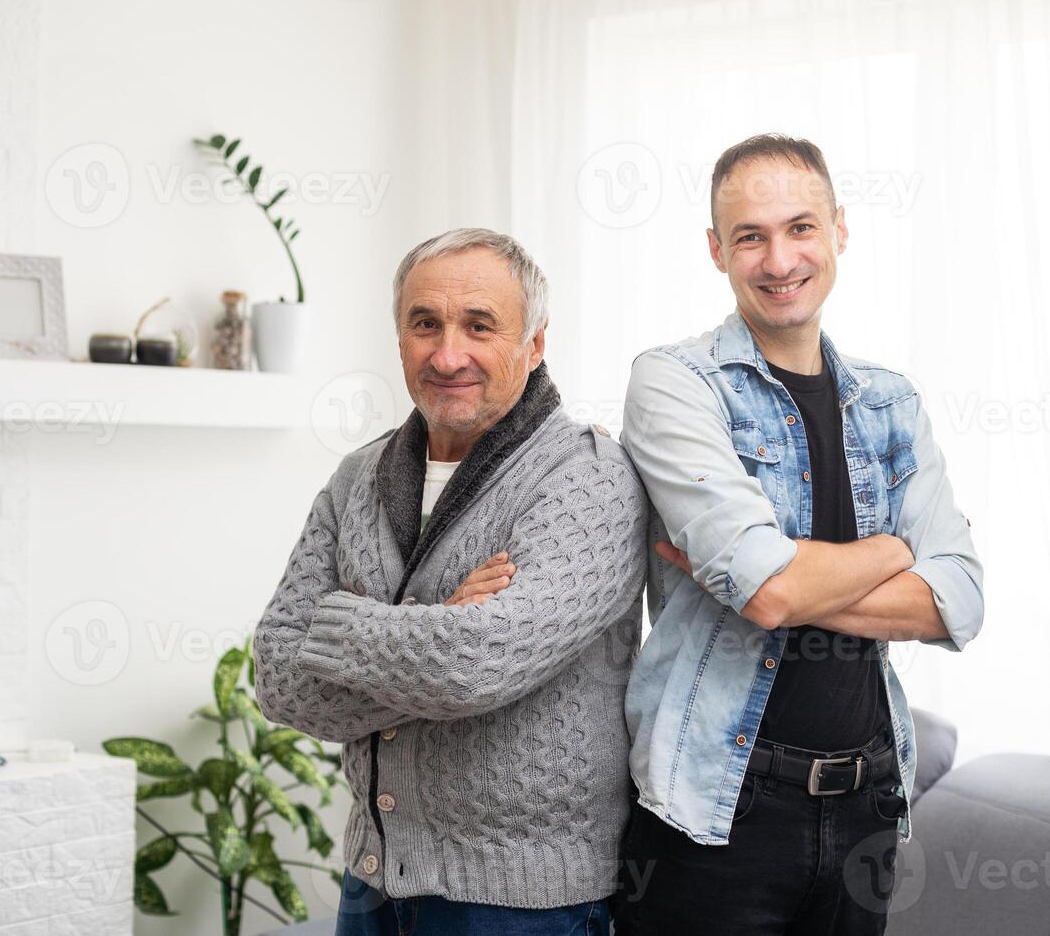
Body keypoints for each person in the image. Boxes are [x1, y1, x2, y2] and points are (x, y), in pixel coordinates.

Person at [613, 135, 984, 934]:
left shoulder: (890, 403)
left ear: (839, 230)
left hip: (868, 805)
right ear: (717, 251)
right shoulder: (675, 383)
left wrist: (772, 582)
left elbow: (957, 600)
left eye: (800, 228)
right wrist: (894, 552)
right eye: (750, 236)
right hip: (716, 806)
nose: (779, 259)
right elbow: (768, 587)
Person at [253, 228, 647, 935]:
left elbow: (476, 664)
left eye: (479, 326)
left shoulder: (588, 476)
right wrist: (437, 621)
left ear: (534, 344)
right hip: (370, 883)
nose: (448, 354)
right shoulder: (359, 477)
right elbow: (279, 676)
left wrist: (349, 621)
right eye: (424, 324)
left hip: (525, 904)